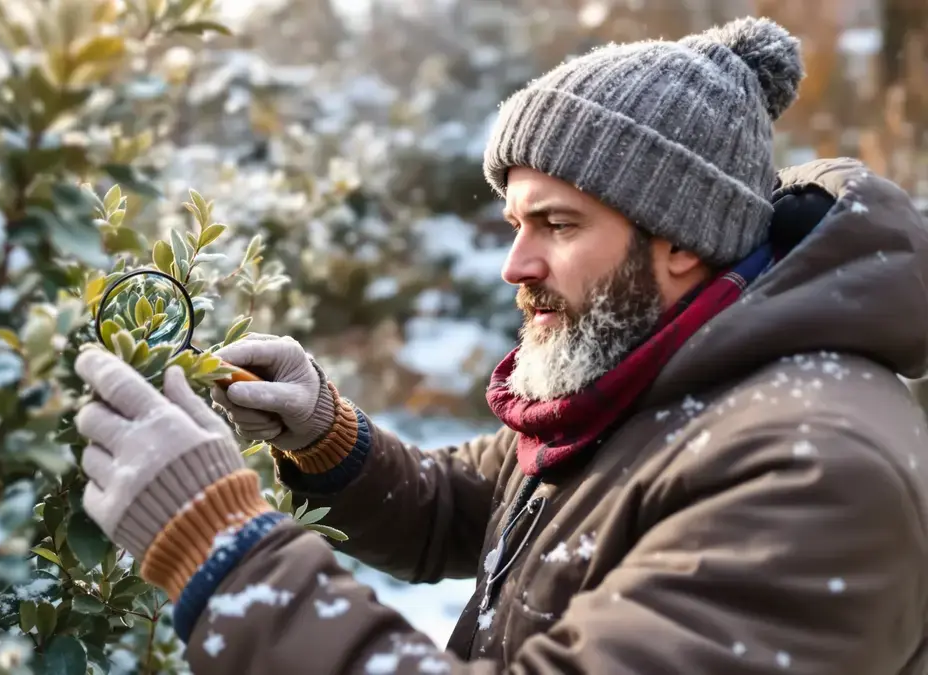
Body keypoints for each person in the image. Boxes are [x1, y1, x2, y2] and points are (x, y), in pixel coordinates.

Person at [71, 16, 928, 674]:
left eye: (557, 224)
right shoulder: (653, 370)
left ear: (683, 239)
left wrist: (226, 555)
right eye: (516, 222)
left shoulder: (816, 472)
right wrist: (329, 437)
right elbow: (479, 509)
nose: (515, 264)